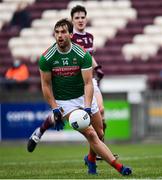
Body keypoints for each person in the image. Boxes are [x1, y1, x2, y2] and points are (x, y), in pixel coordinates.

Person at [27, 18, 132, 176]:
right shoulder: (47, 58)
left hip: (84, 97)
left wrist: (88, 106)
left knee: (100, 133)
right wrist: (55, 109)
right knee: (90, 133)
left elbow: (88, 83)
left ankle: (91, 159)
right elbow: (46, 86)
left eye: (63, 32)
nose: (60, 35)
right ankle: (120, 168)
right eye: (57, 32)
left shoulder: (82, 54)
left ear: (70, 34)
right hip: (65, 102)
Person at [70, 5, 118, 160]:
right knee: (91, 120)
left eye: (82, 17)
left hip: (91, 80)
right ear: (72, 20)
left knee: (102, 113)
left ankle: (95, 154)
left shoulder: (90, 37)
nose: (80, 20)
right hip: (79, 84)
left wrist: (97, 67)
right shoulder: (70, 39)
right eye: (77, 18)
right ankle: (96, 153)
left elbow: (88, 56)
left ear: (86, 18)